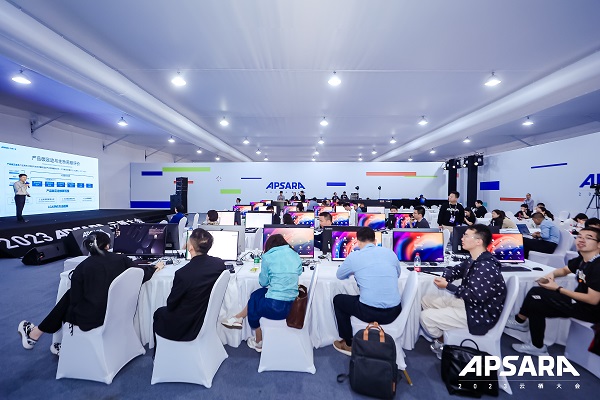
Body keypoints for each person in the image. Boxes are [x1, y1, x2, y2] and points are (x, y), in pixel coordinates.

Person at [18, 231, 163, 355]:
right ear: (107, 246)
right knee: (70, 297)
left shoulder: (81, 268)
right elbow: (141, 274)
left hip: (91, 319)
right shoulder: (122, 259)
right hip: (120, 314)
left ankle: (39, 334)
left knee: (69, 297)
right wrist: (155, 267)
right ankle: (38, 334)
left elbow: (75, 301)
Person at [506, 227, 600, 356]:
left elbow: (593, 299)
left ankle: (520, 320)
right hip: (579, 303)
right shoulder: (583, 259)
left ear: (599, 244)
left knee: (536, 294)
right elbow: (564, 270)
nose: (581, 240)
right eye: (579, 236)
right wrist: (550, 275)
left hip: (591, 311)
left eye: (588, 238)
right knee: (536, 302)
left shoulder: (597, 266)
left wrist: (558, 288)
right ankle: (537, 346)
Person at [421, 224, 506, 359]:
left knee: (425, 317)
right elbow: (456, 270)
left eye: (466, 235)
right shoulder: (475, 259)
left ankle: (443, 341)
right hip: (469, 304)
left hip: (478, 314)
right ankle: (445, 332)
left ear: (478, 241)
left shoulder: (486, 266)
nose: (462, 238)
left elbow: (475, 296)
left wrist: (448, 285)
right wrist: (446, 277)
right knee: (426, 300)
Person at [222, 234, 302, 352]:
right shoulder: (295, 254)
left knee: (254, 302)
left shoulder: (268, 257)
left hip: (275, 308)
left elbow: (263, 282)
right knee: (257, 294)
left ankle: (258, 341)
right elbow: (299, 272)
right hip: (294, 306)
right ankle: (238, 318)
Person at [333, 227, 402, 355]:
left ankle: (348, 343)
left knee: (338, 300)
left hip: (369, 312)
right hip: (394, 312)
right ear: (375, 241)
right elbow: (398, 274)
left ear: (358, 242)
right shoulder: (390, 253)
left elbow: (340, 275)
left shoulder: (355, 256)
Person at [153, 229, 226, 342]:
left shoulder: (183, 274)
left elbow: (171, 304)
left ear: (190, 247)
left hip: (186, 326)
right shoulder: (219, 264)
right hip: (205, 317)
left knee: (159, 313)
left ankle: (160, 349)